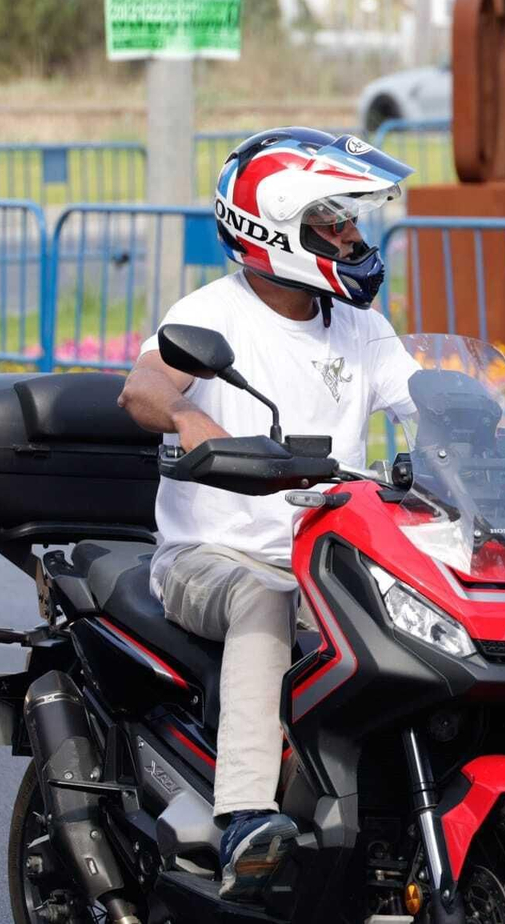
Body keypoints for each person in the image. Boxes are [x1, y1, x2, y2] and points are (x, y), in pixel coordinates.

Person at [117, 127, 417, 901]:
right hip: (215, 558)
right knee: (266, 596)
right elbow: (142, 387)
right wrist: (188, 417)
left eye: (350, 220)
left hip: (328, 559)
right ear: (275, 228)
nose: (351, 236)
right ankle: (244, 815)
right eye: (331, 221)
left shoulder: (361, 325)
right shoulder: (214, 314)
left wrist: (500, 434)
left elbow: (423, 404)